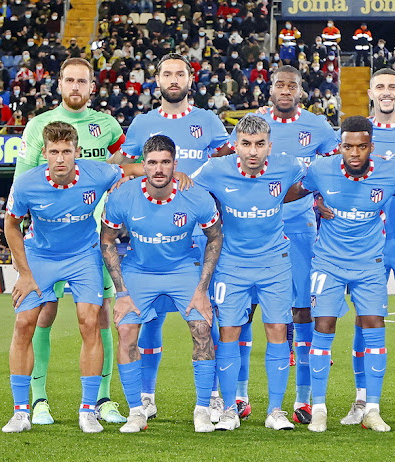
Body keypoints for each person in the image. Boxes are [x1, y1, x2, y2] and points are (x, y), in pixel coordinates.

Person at [217, 65, 338, 425]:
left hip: (299, 231)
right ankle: (239, 397)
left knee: (301, 313)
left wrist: (320, 200)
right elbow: (222, 165)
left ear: (302, 91)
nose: (286, 90)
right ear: (269, 89)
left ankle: (301, 399)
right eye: (279, 84)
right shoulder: (252, 124)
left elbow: (334, 169)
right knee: (244, 315)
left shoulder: (318, 126)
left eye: (292, 85)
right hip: (245, 233)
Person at [14, 57, 128, 426]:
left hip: (95, 240)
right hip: (49, 238)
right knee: (42, 313)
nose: (76, 86)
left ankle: (103, 400)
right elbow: (24, 185)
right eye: (69, 80)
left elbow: (125, 166)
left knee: (100, 316)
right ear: (59, 84)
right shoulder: (38, 126)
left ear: (92, 86)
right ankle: (39, 400)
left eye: (83, 81)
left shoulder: (107, 125)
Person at [117, 53, 230, 422]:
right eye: (167, 73)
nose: (173, 79)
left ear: (190, 79)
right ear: (157, 79)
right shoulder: (143, 122)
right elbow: (124, 166)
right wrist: (165, 172)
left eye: (180, 73)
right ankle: (146, 397)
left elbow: (227, 160)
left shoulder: (208, 120)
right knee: (148, 322)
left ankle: (212, 397)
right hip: (152, 235)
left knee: (203, 320)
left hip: (197, 236)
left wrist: (192, 182)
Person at [100, 135, 223, 433]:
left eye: (165, 162)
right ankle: (136, 412)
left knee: (203, 328)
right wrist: (122, 293)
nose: (158, 169)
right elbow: (107, 240)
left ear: (175, 165)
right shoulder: (123, 195)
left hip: (183, 268)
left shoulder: (195, 195)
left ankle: (203, 410)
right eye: (152, 163)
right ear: (143, 165)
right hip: (139, 270)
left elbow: (215, 236)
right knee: (126, 331)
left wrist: (202, 290)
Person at [291, 115, 395, 433]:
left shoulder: (390, 173)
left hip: (370, 265)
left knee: (374, 329)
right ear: (340, 146)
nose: (354, 153)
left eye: (361, 146)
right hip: (328, 262)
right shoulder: (321, 169)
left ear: (371, 146)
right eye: (348, 146)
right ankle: (319, 409)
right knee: (323, 326)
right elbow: (291, 192)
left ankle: (372, 409)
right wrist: (314, 201)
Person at [193, 115, 306, 431]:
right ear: (235, 145)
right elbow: (185, 186)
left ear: (270, 146)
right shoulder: (216, 170)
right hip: (231, 265)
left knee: (277, 332)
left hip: (275, 263)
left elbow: (315, 180)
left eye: (259, 145)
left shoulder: (287, 167)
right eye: (245, 144)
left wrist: (322, 197)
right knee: (228, 333)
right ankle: (229, 409)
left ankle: (275, 411)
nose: (252, 152)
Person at [339, 68, 395, 426]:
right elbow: (332, 175)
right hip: (368, 245)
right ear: (370, 93)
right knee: (364, 321)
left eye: (392, 86)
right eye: (380, 87)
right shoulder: (355, 134)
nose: (386, 92)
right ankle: (361, 401)